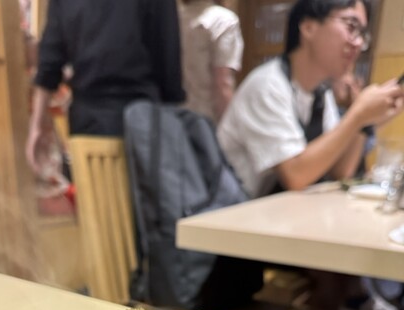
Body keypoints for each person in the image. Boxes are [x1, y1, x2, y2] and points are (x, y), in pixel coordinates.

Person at [217, 0, 404, 199]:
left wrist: (366, 122)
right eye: (351, 26)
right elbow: (296, 176)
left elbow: (340, 171)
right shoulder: (267, 85)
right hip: (232, 210)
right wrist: (358, 114)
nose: (357, 43)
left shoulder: (321, 93)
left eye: (362, 34)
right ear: (308, 28)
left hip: (274, 210)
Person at [26, 0, 185, 174]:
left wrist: (37, 124)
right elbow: (169, 59)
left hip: (88, 125)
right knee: (152, 189)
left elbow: (50, 62)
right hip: (145, 120)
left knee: (95, 190)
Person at [178, 0, 243, 123]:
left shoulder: (171, 19)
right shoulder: (223, 21)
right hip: (205, 120)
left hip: (171, 118)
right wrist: (230, 126)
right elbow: (222, 84)